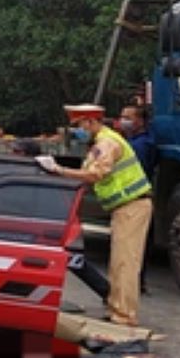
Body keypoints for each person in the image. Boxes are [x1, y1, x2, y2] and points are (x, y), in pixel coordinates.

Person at [36, 104, 152, 328]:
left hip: (132, 206)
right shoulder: (102, 142)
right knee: (118, 262)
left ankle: (125, 316)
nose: (79, 130)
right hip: (126, 208)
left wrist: (59, 170)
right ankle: (116, 309)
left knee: (126, 264)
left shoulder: (107, 143)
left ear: (91, 121)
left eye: (80, 125)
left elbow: (95, 174)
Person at [118, 102, 157, 179]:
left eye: (127, 118)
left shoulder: (140, 145)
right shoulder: (131, 140)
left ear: (140, 121)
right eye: (121, 117)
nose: (122, 121)